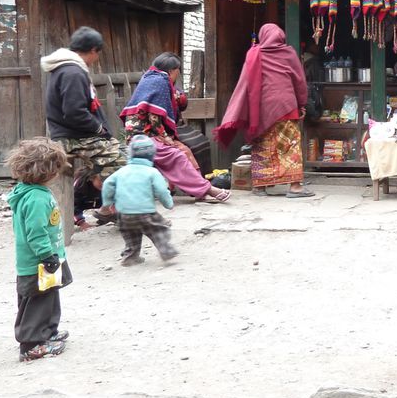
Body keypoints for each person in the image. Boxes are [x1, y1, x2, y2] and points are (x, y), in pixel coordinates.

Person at [214, 24, 314, 198]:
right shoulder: (289, 53)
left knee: (263, 145)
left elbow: (245, 83)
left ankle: (260, 186)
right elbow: (299, 81)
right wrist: (302, 103)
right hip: (286, 106)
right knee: (289, 146)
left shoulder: (254, 54)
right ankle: (295, 187)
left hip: (261, 108)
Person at [40, 26, 125, 227]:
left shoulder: (65, 69)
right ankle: (110, 207)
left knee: (114, 155)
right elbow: (74, 112)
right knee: (125, 159)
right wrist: (98, 129)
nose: (96, 59)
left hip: (73, 134)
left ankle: (109, 203)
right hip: (74, 137)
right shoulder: (73, 72)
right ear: (94, 50)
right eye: (97, 54)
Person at [121, 53, 229, 204]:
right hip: (142, 136)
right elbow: (154, 114)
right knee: (176, 155)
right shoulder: (160, 81)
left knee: (186, 151)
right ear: (173, 70)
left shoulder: (151, 78)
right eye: (178, 71)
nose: (178, 74)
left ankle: (200, 190)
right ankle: (207, 189)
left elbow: (176, 103)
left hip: (151, 132)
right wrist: (165, 137)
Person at [6, 138, 73, 362]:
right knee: (37, 301)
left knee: (49, 297)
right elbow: (35, 232)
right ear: (48, 171)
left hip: (47, 258)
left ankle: (47, 333)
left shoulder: (30, 191)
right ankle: (31, 344)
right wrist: (47, 255)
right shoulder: (35, 198)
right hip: (39, 261)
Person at [102, 135, 178, 266]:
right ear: (152, 155)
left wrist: (107, 203)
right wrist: (168, 203)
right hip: (145, 212)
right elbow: (161, 190)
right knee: (159, 229)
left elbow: (108, 184)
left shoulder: (121, 171)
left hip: (123, 214)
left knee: (131, 235)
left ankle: (130, 257)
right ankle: (166, 250)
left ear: (130, 154)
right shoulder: (152, 172)